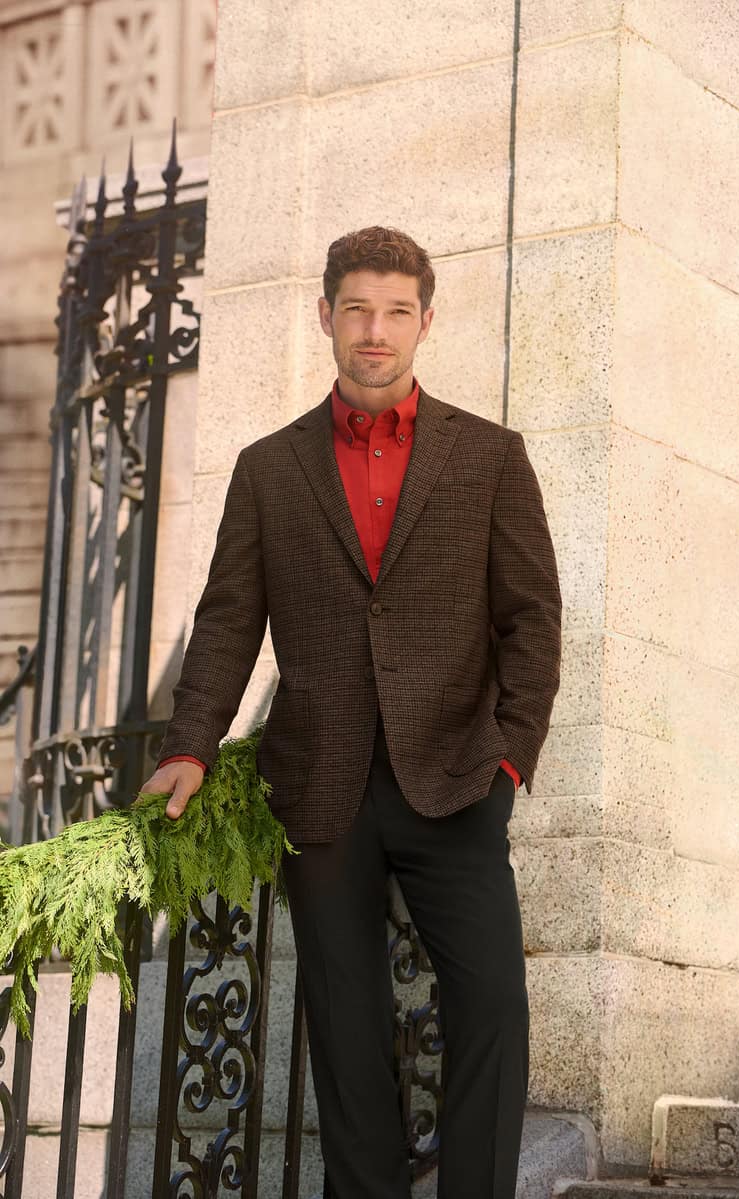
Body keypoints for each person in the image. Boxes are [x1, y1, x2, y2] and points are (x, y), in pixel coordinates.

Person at [141, 226, 562, 1199]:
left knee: (492, 1000)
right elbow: (226, 621)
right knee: (345, 1022)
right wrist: (189, 745)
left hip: (456, 777)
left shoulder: (488, 457)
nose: (375, 330)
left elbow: (529, 617)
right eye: (357, 309)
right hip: (321, 786)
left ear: (424, 319)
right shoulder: (267, 468)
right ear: (325, 315)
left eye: (396, 310)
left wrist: (507, 759)